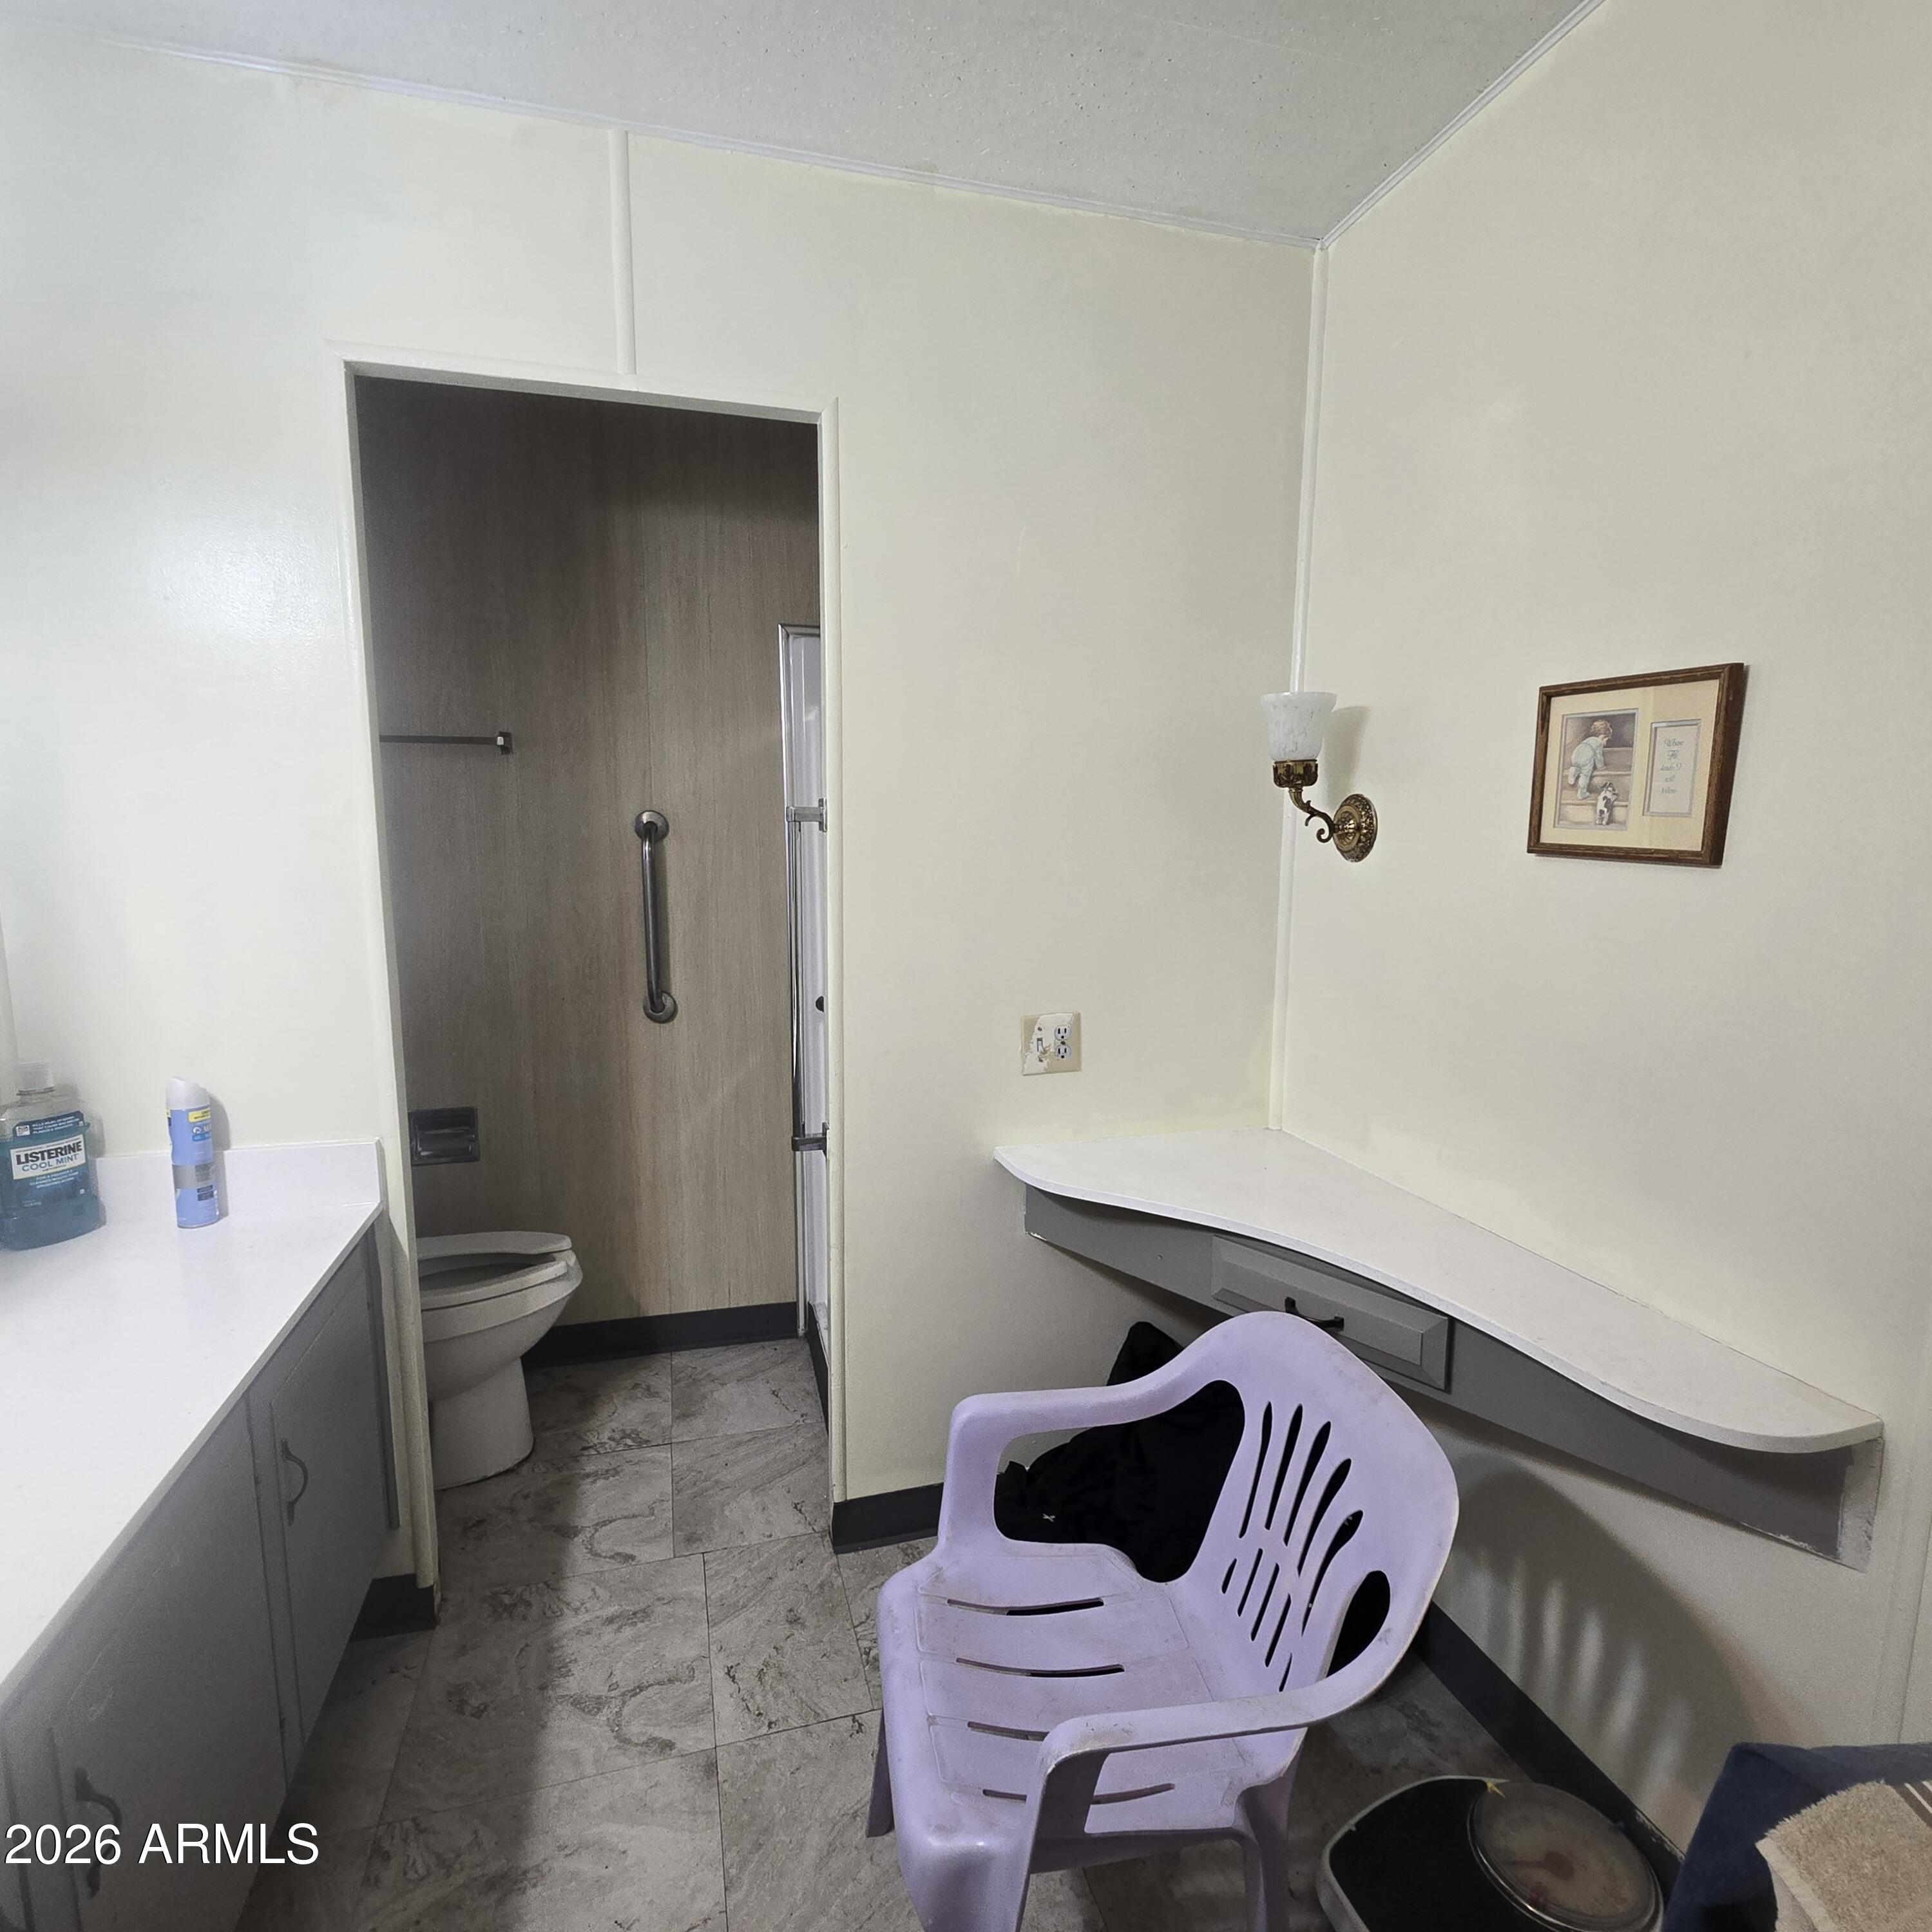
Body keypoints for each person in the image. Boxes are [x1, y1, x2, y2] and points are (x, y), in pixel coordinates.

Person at [1567, 718, 1614, 799]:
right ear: (1603, 736)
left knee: (1577, 766)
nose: (1606, 743)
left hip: (1576, 754)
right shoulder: (1599, 743)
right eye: (1606, 740)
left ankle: (1573, 771)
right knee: (1585, 775)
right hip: (1586, 757)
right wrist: (1601, 767)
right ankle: (1582, 793)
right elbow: (1599, 757)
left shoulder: (1588, 739)